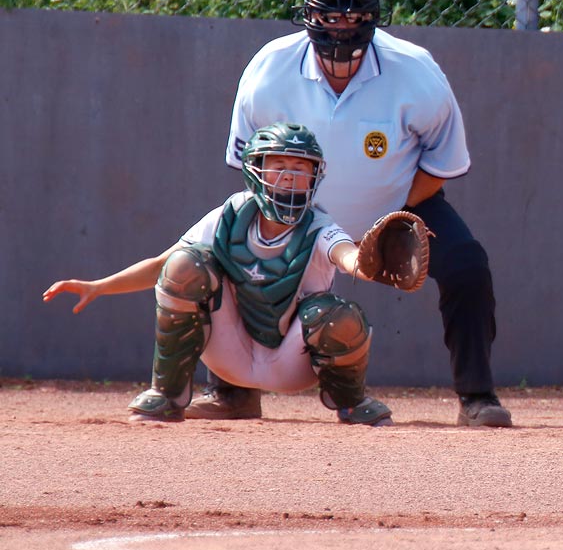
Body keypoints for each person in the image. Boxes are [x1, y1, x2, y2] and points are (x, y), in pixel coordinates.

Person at [202, 0, 511, 428]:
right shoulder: (270, 69)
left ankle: (477, 397)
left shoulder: (415, 70)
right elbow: (250, 164)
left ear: (373, 25)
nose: (340, 33)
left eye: (353, 22)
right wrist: (289, 227)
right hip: (293, 211)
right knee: (231, 258)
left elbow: (441, 164)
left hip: (401, 208)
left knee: (468, 265)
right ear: (308, 21)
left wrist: (392, 223)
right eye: (329, 20)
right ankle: (231, 392)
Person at [43, 123, 394, 425]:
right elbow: (162, 264)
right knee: (185, 265)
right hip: (231, 352)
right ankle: (167, 395)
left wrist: (371, 263)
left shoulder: (319, 224)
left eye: (301, 168)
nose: (290, 176)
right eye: (279, 165)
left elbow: (348, 256)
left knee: (339, 317)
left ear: (315, 176)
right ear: (255, 170)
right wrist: (99, 287)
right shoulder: (231, 214)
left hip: (293, 361)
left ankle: (352, 402)